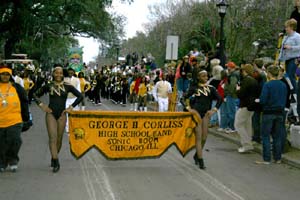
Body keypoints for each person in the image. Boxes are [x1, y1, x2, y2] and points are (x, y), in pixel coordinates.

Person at [34, 64, 83, 172]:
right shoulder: (48, 85)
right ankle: (56, 161)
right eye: (56, 72)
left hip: (62, 114)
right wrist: (42, 105)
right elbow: (35, 94)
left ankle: (54, 156)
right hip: (50, 114)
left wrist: (71, 107)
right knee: (52, 138)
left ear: (62, 74)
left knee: (59, 139)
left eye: (60, 73)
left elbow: (80, 96)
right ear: (53, 74)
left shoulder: (68, 86)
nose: (58, 75)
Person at [183, 70, 222, 169]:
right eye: (203, 76)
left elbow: (220, 99)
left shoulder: (211, 88)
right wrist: (189, 109)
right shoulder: (194, 88)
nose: (205, 77)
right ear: (198, 77)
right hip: (196, 114)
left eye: (206, 76)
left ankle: (197, 154)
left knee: (204, 138)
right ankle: (201, 161)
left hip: (206, 114)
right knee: (199, 137)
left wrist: (214, 110)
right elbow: (183, 98)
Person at [0, 65, 30, 172]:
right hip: (1, 120)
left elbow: (25, 100)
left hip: (15, 120)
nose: (5, 76)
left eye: (7, 74)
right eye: (3, 74)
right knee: (1, 143)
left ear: (10, 76)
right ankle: (2, 162)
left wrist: (26, 116)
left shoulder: (16, 87)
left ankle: (13, 160)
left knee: (15, 140)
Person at [256, 65, 287, 164]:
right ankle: (277, 158)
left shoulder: (267, 85)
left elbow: (263, 99)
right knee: (277, 136)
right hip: (280, 112)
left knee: (265, 136)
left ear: (269, 73)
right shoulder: (283, 85)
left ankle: (267, 158)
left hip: (268, 112)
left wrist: (259, 101)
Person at [234, 64, 260, 153]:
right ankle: (249, 143)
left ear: (244, 71)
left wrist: (237, 89)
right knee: (247, 124)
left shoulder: (246, 80)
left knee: (238, 124)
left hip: (244, 105)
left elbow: (241, 94)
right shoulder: (254, 80)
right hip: (252, 105)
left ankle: (246, 144)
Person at [279, 18, 300, 91]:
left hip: (294, 58)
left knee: (290, 76)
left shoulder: (297, 36)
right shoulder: (286, 37)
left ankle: (294, 93)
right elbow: (282, 48)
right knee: (287, 76)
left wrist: (291, 47)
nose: (285, 29)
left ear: (291, 27)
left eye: (287, 27)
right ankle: (290, 91)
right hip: (287, 59)